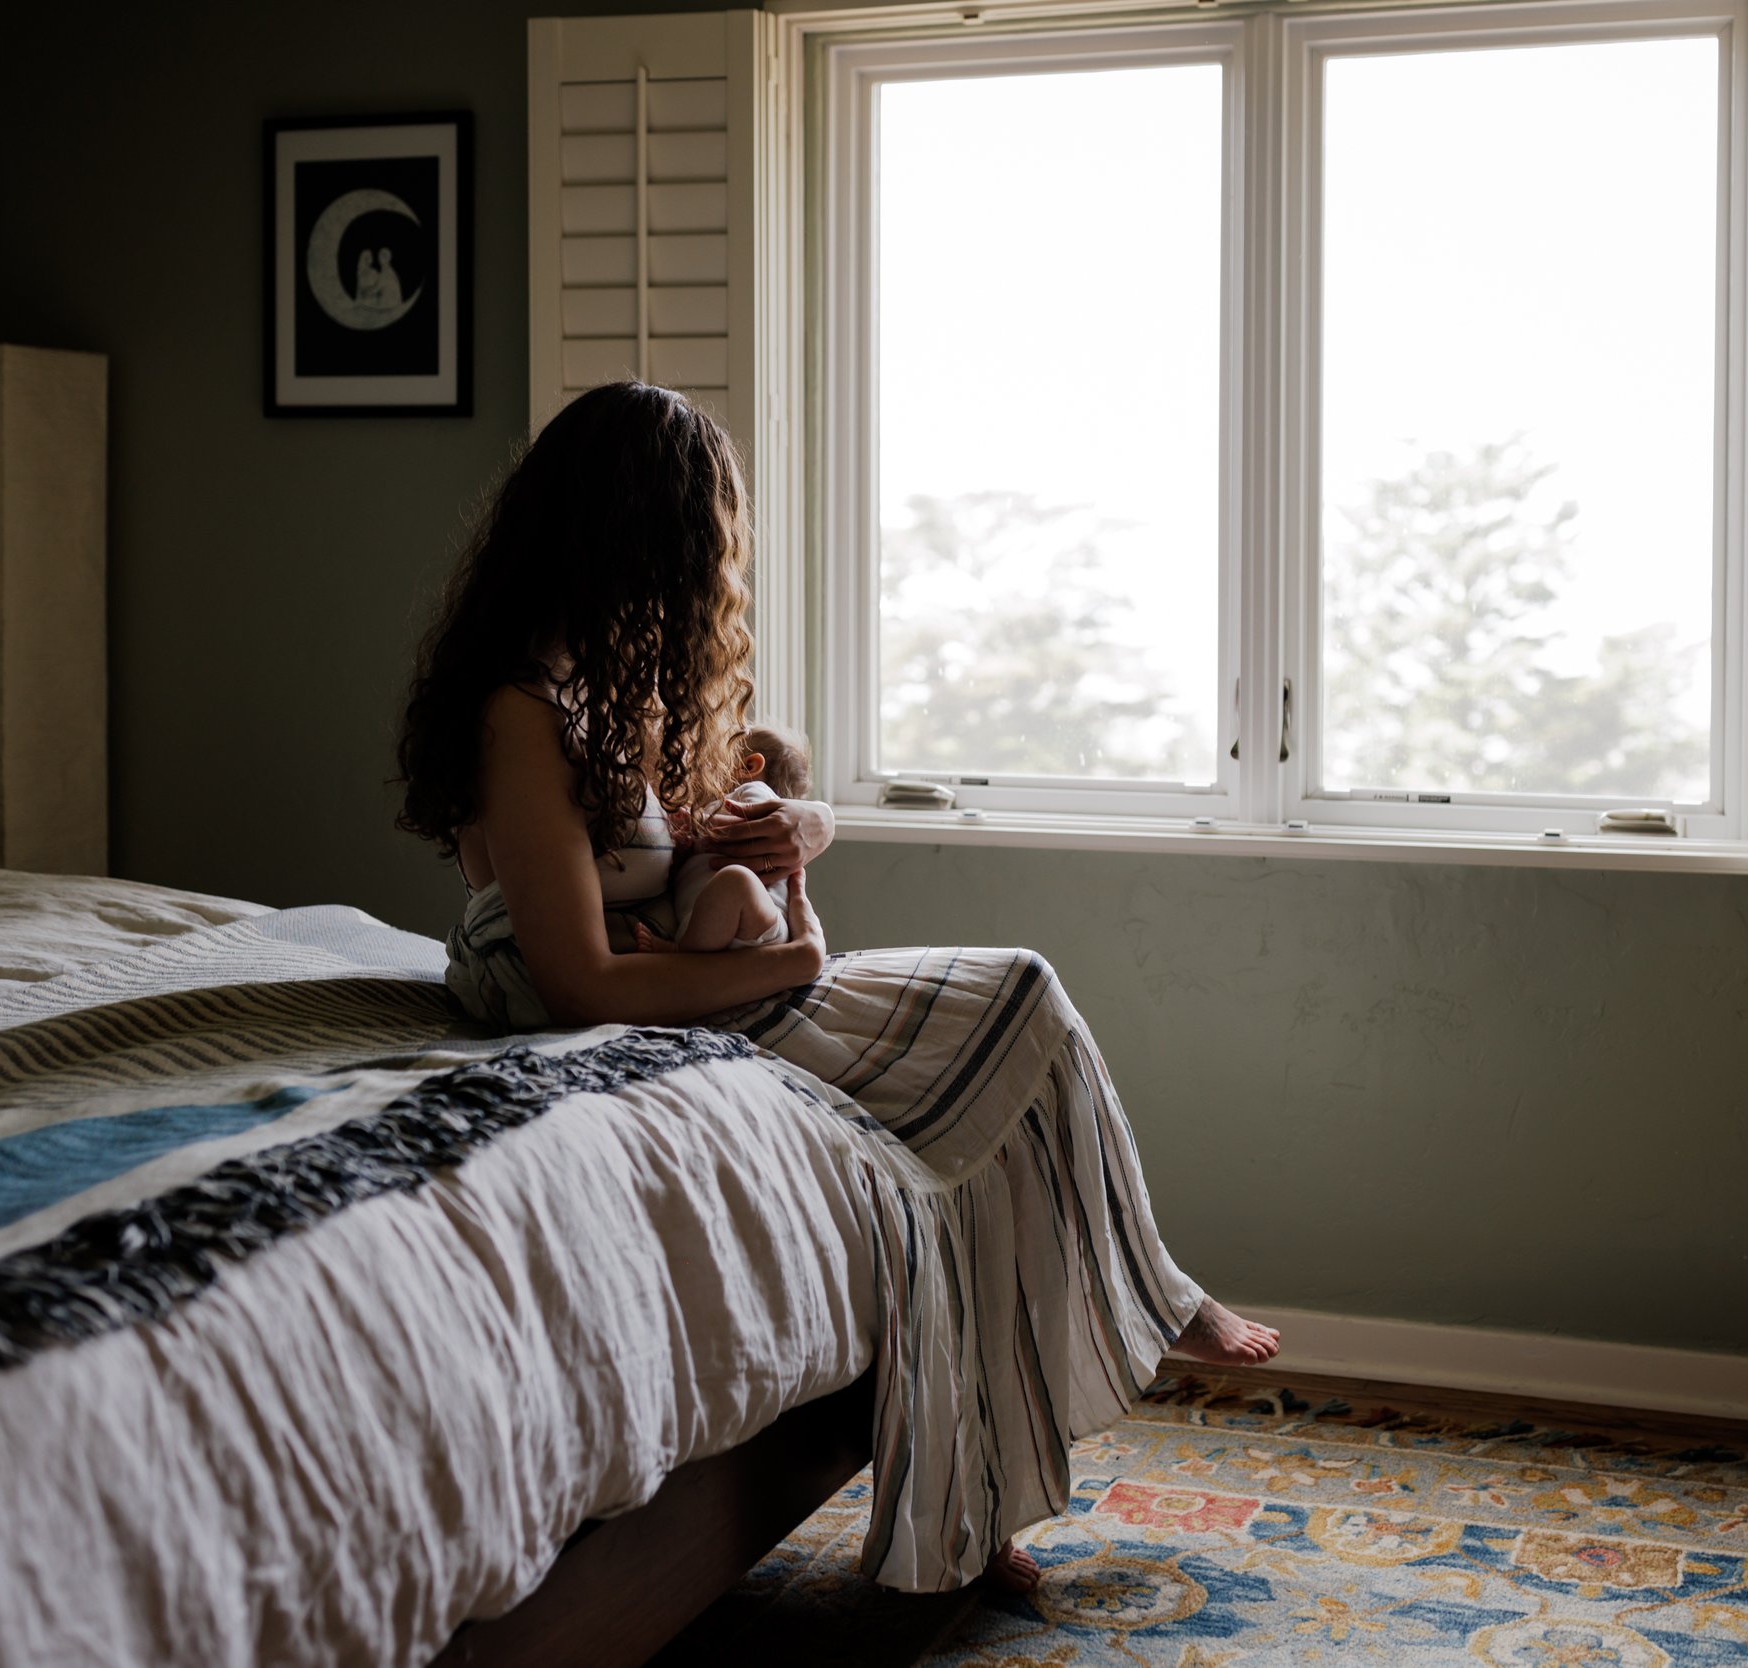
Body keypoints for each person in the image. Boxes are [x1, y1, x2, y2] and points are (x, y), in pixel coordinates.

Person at [395, 381, 1278, 1594]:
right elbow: (577, 977)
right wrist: (792, 959)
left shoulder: (612, 694)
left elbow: (662, 872)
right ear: (631, 534)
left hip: (696, 978)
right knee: (1015, 997)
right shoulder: (520, 708)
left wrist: (756, 845)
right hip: (627, 1000)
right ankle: (1149, 1300)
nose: (712, 574)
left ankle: (975, 1511)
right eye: (703, 541)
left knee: (975, 1116)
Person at [639, 723, 811, 953]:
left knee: (736, 881)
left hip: (758, 919)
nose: (703, 766)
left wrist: (694, 821)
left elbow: (748, 829)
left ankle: (679, 957)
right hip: (711, 927)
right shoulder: (716, 806)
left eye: (715, 757)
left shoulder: (754, 793)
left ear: (748, 766)